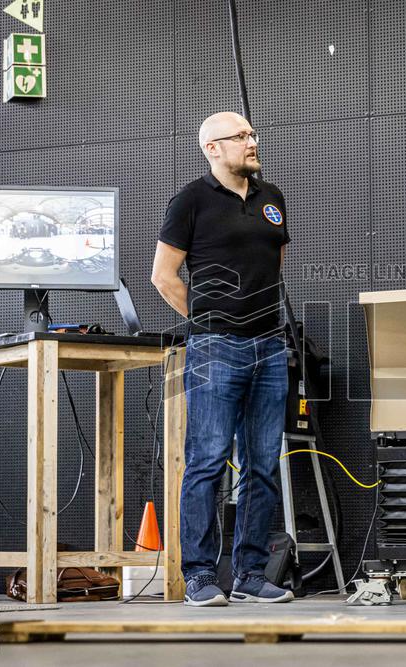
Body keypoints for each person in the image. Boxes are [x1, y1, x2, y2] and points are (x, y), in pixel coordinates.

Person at [151, 111, 293, 607]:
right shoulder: (190, 200)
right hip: (216, 348)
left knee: (263, 466)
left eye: (253, 134)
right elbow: (163, 276)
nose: (252, 141)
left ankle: (251, 573)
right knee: (207, 462)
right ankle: (199, 575)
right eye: (241, 136)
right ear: (212, 148)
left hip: (269, 346)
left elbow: (273, 264)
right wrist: (209, 318)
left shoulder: (271, 197)